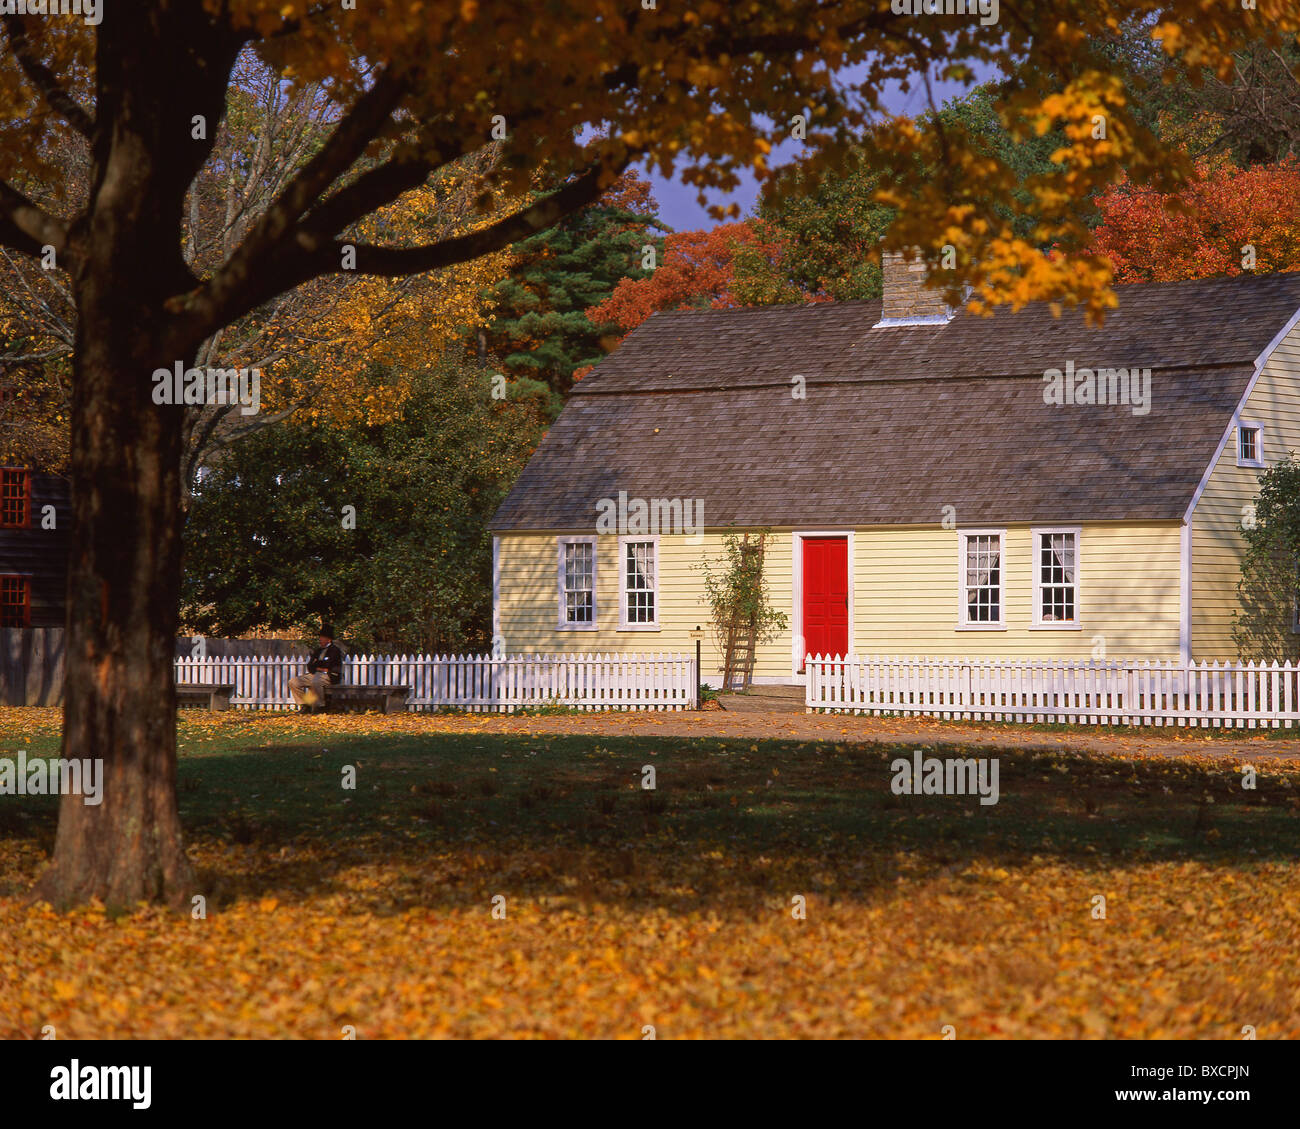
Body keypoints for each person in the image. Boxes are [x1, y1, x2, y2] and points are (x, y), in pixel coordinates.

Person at [289, 624, 343, 710]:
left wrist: (318, 665)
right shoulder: (317, 651)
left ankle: (320, 706)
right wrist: (319, 666)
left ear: (329, 639)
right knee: (294, 682)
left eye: (322, 637)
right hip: (315, 674)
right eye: (320, 637)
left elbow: (328, 665)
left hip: (329, 675)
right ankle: (305, 705)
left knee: (316, 681)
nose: (320, 639)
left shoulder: (335, 650)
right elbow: (310, 666)